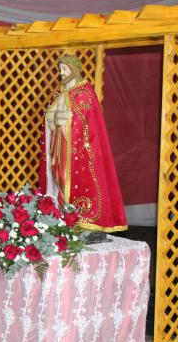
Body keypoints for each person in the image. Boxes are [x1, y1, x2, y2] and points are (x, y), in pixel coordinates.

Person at [40, 55, 127, 232]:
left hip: (77, 152)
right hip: (58, 146)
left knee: (68, 178)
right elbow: (49, 117)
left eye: (65, 69)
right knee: (58, 178)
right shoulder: (60, 92)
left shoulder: (85, 92)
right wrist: (55, 120)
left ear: (74, 69)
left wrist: (62, 120)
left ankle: (77, 218)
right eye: (60, 70)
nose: (61, 73)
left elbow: (86, 123)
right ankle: (61, 215)